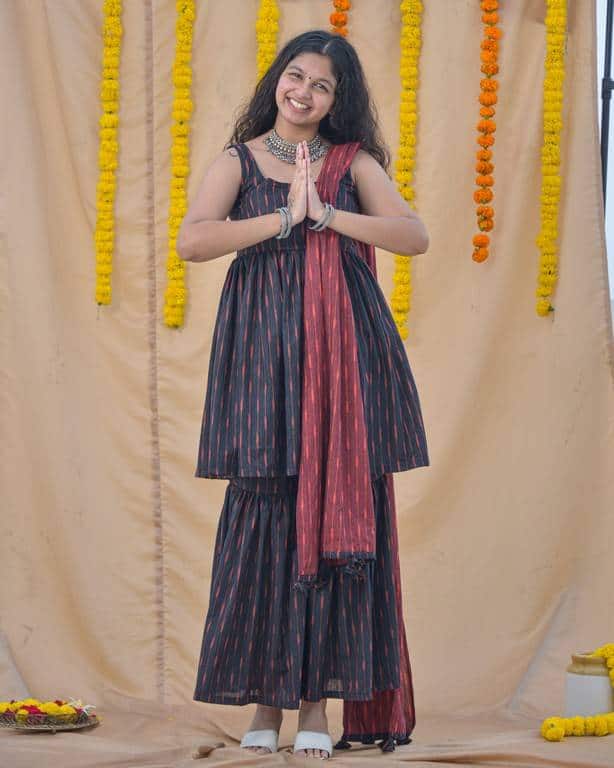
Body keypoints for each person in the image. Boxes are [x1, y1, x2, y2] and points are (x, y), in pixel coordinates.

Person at [178, 29, 430, 760]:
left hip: (343, 360)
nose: (305, 93)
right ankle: (266, 700)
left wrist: (326, 213)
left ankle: (316, 705)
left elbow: (412, 236)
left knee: (331, 509)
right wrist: (285, 218)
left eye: (322, 86)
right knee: (268, 514)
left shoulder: (353, 164)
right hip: (262, 355)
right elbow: (194, 241)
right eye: (297, 77)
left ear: (336, 100)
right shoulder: (239, 160)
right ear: (277, 80)